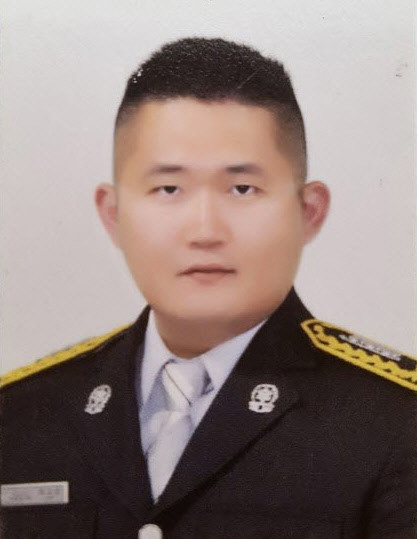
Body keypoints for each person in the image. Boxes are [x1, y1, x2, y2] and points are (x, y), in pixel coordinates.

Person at [1, 37, 416, 539]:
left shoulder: (398, 422)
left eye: (242, 189)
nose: (204, 230)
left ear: (308, 212)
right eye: (168, 189)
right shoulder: (19, 416)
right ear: (113, 215)